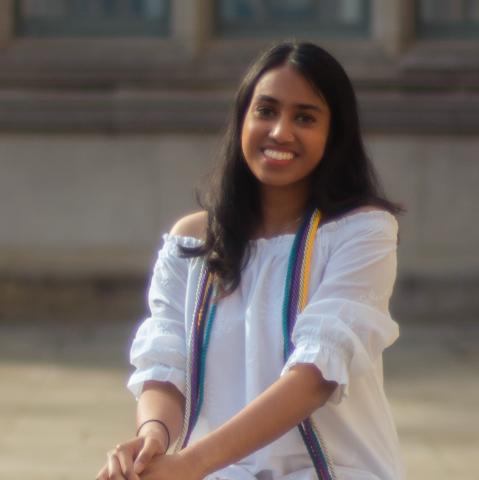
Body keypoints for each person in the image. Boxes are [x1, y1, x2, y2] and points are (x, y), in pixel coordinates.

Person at [97, 41, 405, 480]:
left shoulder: (361, 232)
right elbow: (166, 363)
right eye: (266, 111)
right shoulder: (192, 241)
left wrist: (190, 463)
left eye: (304, 117)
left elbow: (315, 374)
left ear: (334, 133)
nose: (280, 132)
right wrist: (152, 441)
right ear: (242, 119)